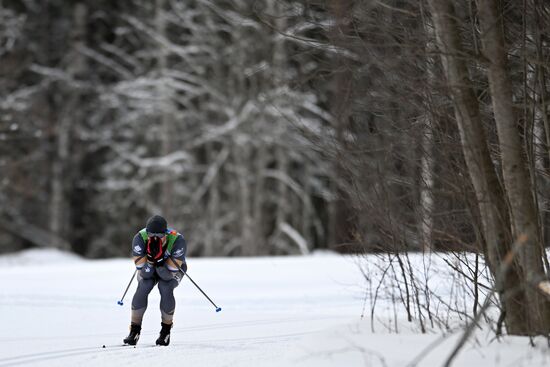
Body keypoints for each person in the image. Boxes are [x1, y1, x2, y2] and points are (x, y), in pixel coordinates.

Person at [123, 215, 188, 346]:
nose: (154, 239)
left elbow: (168, 275)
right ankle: (134, 331)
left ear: (166, 234)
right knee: (144, 284)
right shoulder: (140, 238)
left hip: (172, 270)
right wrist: (152, 262)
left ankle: (165, 332)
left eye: (159, 236)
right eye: (151, 236)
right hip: (149, 268)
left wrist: (158, 261)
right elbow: (144, 273)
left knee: (165, 286)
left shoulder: (177, 240)